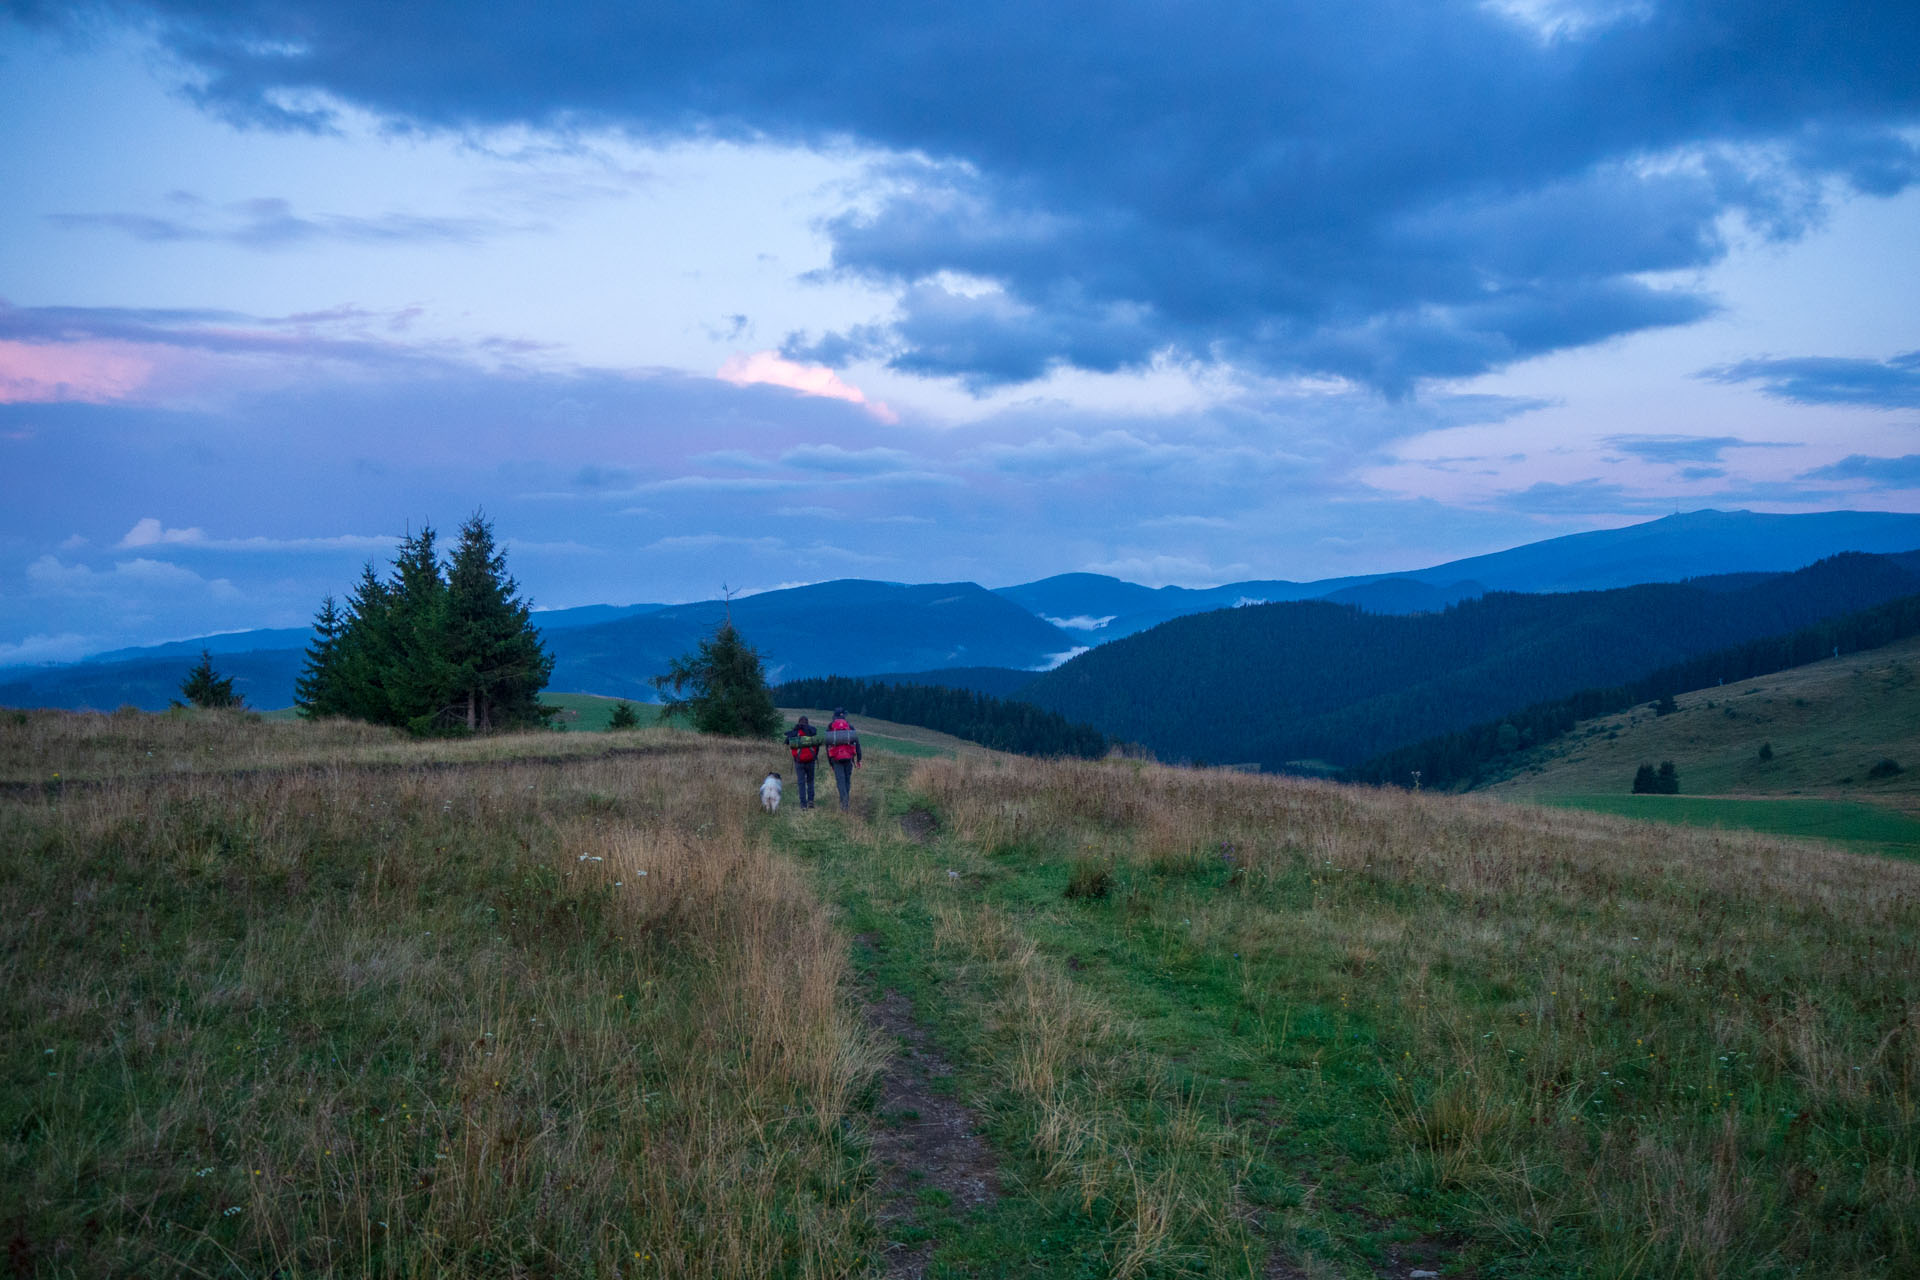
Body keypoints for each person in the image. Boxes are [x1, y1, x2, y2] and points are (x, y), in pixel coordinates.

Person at [824, 707, 862, 812]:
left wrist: (830, 762)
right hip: (849, 758)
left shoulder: (830, 728)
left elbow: (827, 747)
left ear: (834, 716)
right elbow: (857, 743)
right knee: (847, 780)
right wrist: (859, 759)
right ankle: (845, 802)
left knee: (840, 781)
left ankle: (844, 805)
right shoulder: (850, 727)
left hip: (836, 759)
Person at [784, 715, 821, 809]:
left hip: (799, 761)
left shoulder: (795, 732)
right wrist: (814, 756)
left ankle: (803, 804)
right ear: (807, 723)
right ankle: (811, 801)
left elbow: (790, 744)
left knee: (801, 782)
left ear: (799, 722)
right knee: (810, 781)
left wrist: (796, 756)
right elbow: (816, 745)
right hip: (810, 760)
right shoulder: (811, 732)